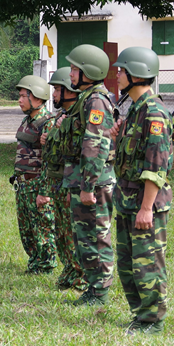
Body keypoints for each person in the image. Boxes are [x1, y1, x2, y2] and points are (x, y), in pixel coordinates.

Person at [111, 47, 172, 335]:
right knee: (126, 264)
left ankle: (153, 321)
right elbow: (127, 159)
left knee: (147, 263)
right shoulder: (134, 110)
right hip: (127, 201)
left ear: (136, 74)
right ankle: (140, 315)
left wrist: (146, 208)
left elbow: (156, 166)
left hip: (145, 203)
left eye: (121, 70)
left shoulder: (154, 113)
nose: (118, 74)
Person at [60, 44, 117, 306]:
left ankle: (100, 291)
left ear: (89, 72)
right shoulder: (88, 98)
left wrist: (88, 186)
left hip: (93, 181)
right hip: (84, 179)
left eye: (75, 69)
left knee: (95, 236)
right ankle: (94, 289)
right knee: (85, 237)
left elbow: (95, 145)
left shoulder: (96, 100)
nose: (70, 74)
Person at [36, 67, 86, 290]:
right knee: (62, 233)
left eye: (57, 89)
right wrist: (48, 140)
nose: (54, 94)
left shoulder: (76, 117)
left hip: (69, 182)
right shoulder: (60, 117)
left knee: (73, 233)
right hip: (58, 181)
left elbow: (78, 152)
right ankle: (69, 270)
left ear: (69, 90)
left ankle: (80, 275)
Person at [12, 75, 56, 274]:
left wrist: (44, 191)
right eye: (19, 96)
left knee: (43, 227)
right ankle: (35, 262)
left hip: (37, 185)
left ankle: (45, 265)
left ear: (37, 98)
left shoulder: (48, 123)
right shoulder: (26, 120)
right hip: (22, 185)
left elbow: (50, 161)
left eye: (23, 96)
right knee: (27, 229)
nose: (19, 100)